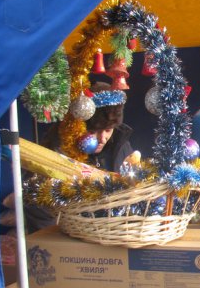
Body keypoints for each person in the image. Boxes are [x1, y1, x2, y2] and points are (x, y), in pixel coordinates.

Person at [24, 81, 135, 232]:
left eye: (108, 130)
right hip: (67, 235)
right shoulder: (55, 150)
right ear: (79, 127)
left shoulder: (121, 146)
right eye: (94, 131)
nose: (102, 138)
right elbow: (37, 207)